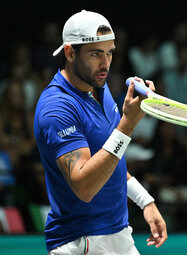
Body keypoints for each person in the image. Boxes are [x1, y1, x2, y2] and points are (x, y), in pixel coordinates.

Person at [34, 10, 167, 254]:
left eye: (109, 53)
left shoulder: (100, 89)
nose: (105, 63)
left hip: (120, 235)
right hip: (80, 242)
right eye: (95, 53)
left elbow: (109, 160)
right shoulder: (56, 108)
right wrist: (127, 124)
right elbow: (84, 186)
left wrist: (145, 201)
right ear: (70, 52)